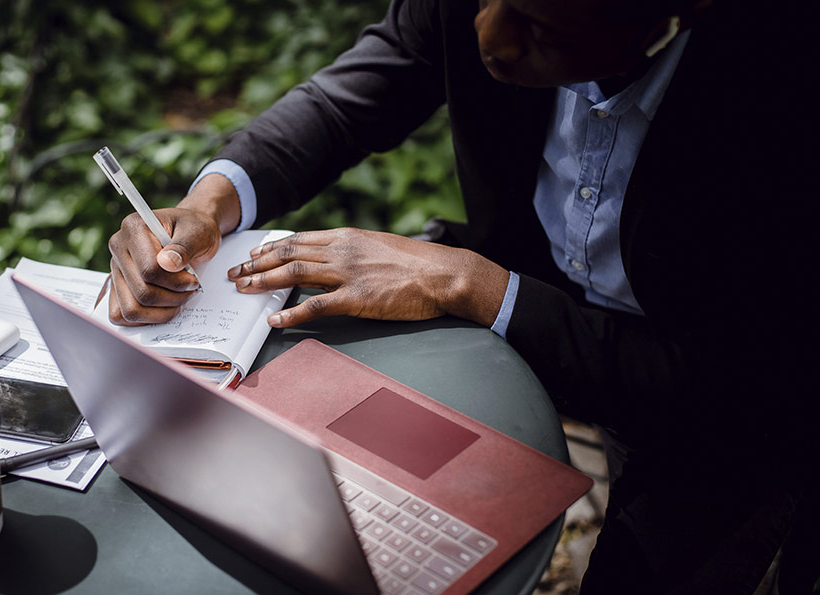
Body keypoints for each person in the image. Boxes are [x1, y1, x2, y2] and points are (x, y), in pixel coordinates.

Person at [107, 0, 818, 592]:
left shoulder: (777, 102)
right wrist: (213, 201)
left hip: (719, 407)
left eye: (543, 29)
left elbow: (733, 390)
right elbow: (359, 92)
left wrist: (471, 284)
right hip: (540, 287)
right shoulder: (497, 14)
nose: (490, 40)